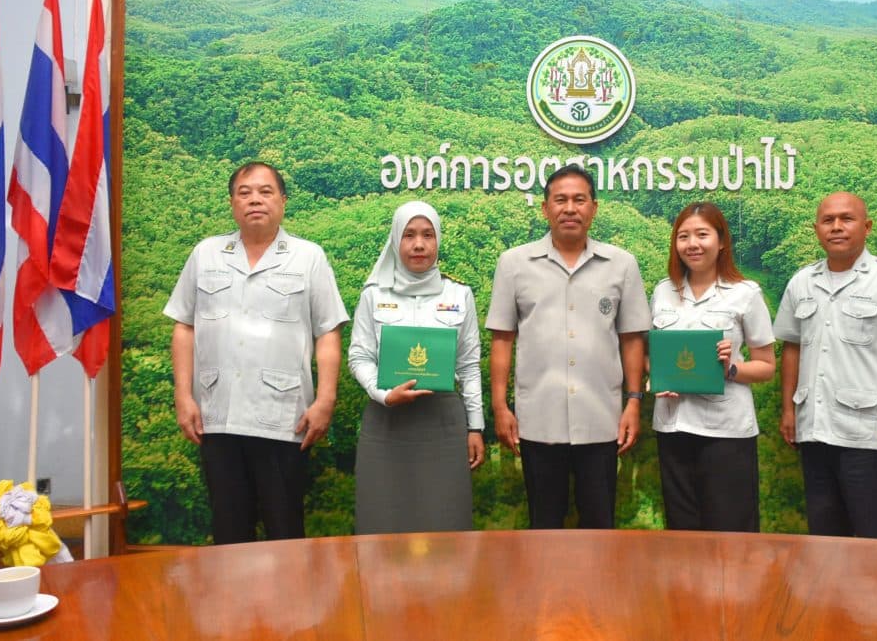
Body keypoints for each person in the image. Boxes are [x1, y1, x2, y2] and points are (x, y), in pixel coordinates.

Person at [164, 161, 349, 545]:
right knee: (229, 531)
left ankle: (290, 605)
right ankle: (231, 606)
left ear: (282, 200)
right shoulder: (206, 254)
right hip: (218, 416)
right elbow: (184, 325)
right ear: (232, 202)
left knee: (285, 529)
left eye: (265, 192)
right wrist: (183, 396)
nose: (255, 200)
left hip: (284, 418)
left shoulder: (308, 257)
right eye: (245, 192)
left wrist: (326, 399)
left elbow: (328, 331)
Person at [486, 164, 651, 529]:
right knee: (544, 524)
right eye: (560, 200)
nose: (570, 208)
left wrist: (634, 402)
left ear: (595, 207)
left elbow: (632, 339)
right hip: (536, 421)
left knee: (599, 522)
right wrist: (500, 406)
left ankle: (600, 587)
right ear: (545, 208)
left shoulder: (621, 265)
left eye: (579, 199)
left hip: (602, 419)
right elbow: (502, 339)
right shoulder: (514, 264)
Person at [772, 192, 877, 540]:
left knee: (876, 541)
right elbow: (792, 348)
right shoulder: (802, 282)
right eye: (828, 220)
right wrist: (788, 410)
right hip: (813, 432)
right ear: (816, 229)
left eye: (847, 219)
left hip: (870, 437)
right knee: (826, 539)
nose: (837, 227)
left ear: (867, 226)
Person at [348, 200, 485, 533]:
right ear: (396, 240)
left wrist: (476, 427)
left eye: (428, 234)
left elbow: (468, 365)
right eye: (409, 235)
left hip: (442, 421)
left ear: (438, 240)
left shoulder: (460, 294)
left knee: (444, 517)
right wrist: (383, 394)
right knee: (381, 517)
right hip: (386, 421)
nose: (419, 244)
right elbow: (359, 356)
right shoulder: (373, 295)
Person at [649, 202, 775, 532]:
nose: (692, 244)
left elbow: (766, 366)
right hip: (673, 427)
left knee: (730, 530)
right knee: (682, 528)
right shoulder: (663, 291)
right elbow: (653, 354)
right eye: (683, 236)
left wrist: (731, 368)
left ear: (721, 242)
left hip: (726, 432)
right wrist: (657, 374)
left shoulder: (745, 294)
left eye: (702, 235)